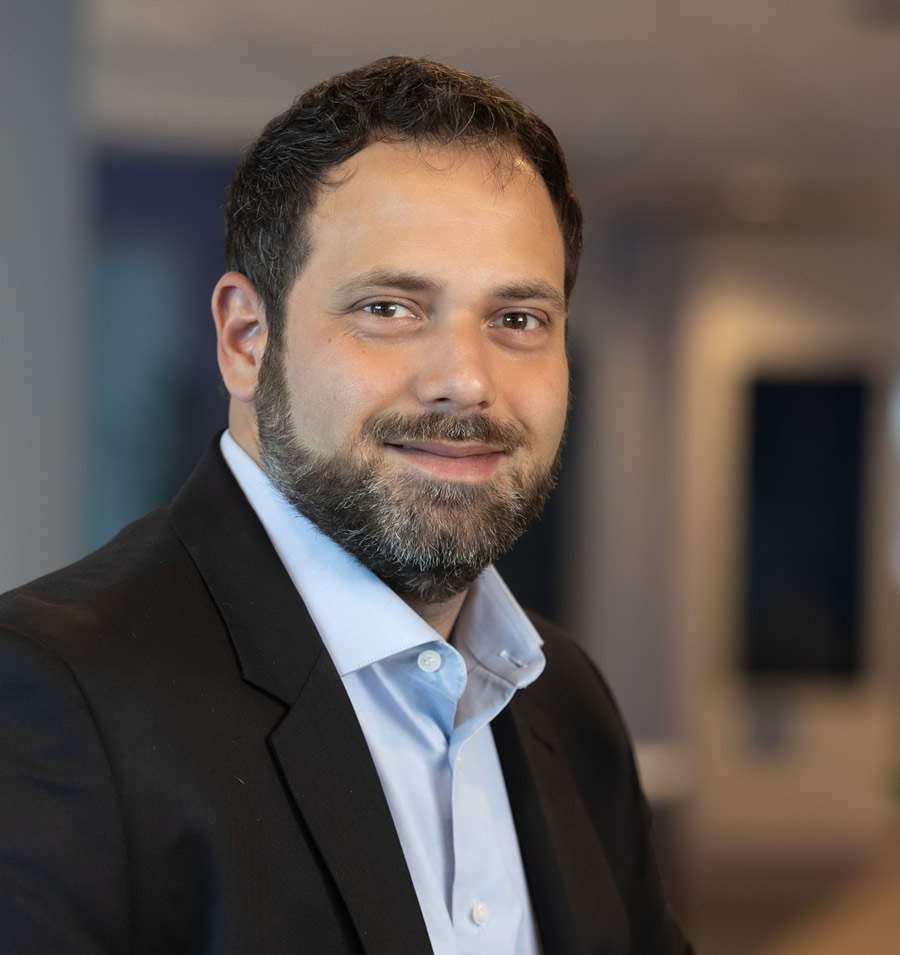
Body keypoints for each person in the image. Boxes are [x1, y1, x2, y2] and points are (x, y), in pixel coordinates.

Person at [0, 57, 691, 954]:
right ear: (246, 339)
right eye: (390, 308)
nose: (466, 380)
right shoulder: (53, 695)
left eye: (518, 319)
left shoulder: (567, 703)